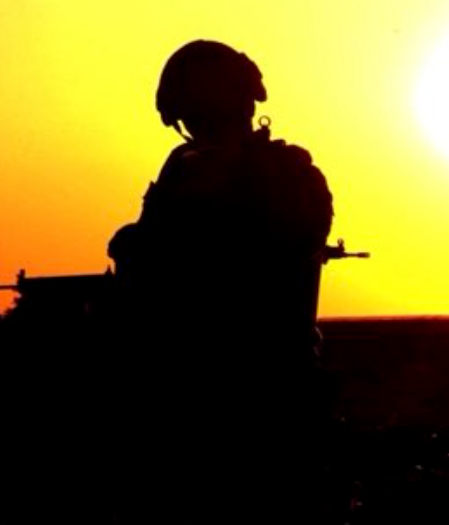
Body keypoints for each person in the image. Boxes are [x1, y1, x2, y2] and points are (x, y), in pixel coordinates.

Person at [108, 39, 334, 375]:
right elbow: (144, 248)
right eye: (191, 121)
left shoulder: (288, 172)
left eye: (200, 118)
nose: (197, 131)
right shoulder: (181, 166)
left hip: (268, 367)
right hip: (185, 360)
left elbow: (276, 255)